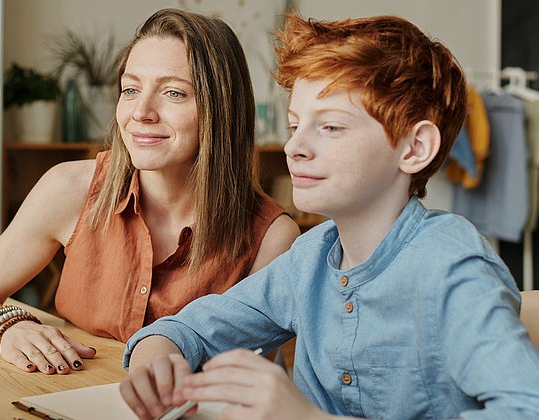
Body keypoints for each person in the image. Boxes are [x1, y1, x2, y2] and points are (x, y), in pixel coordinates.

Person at [119, 13, 539, 419]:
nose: (294, 147)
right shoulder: (309, 259)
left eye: (331, 127)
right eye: (295, 124)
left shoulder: (452, 268)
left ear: (414, 149)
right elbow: (191, 329)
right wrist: (155, 360)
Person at [0, 8, 299, 375]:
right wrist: (9, 327)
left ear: (221, 109)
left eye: (173, 93)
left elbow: (244, 372)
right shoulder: (69, 188)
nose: (141, 112)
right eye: (130, 89)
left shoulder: (271, 237)